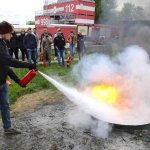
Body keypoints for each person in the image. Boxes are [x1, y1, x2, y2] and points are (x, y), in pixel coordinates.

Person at [0, 21, 36, 134]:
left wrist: (18, 81)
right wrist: (28, 65)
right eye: (11, 33)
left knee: (5, 105)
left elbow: (6, 66)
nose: (12, 35)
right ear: (4, 32)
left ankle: (8, 128)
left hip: (2, 82)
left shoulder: (3, 44)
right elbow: (10, 61)